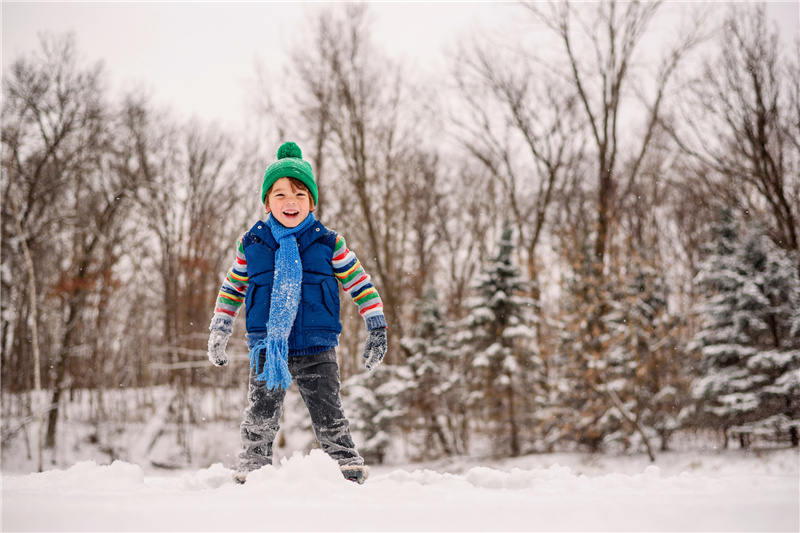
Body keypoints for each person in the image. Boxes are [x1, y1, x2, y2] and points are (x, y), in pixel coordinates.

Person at [206, 141, 387, 485]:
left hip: (316, 343)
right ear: (266, 202)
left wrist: (376, 324)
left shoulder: (327, 242)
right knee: (260, 412)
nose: (291, 202)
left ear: (312, 202)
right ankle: (253, 466)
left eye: (300, 194)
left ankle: (345, 465)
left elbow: (359, 282)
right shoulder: (253, 244)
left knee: (329, 411)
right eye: (281, 194)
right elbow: (232, 288)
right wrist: (220, 328)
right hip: (267, 347)